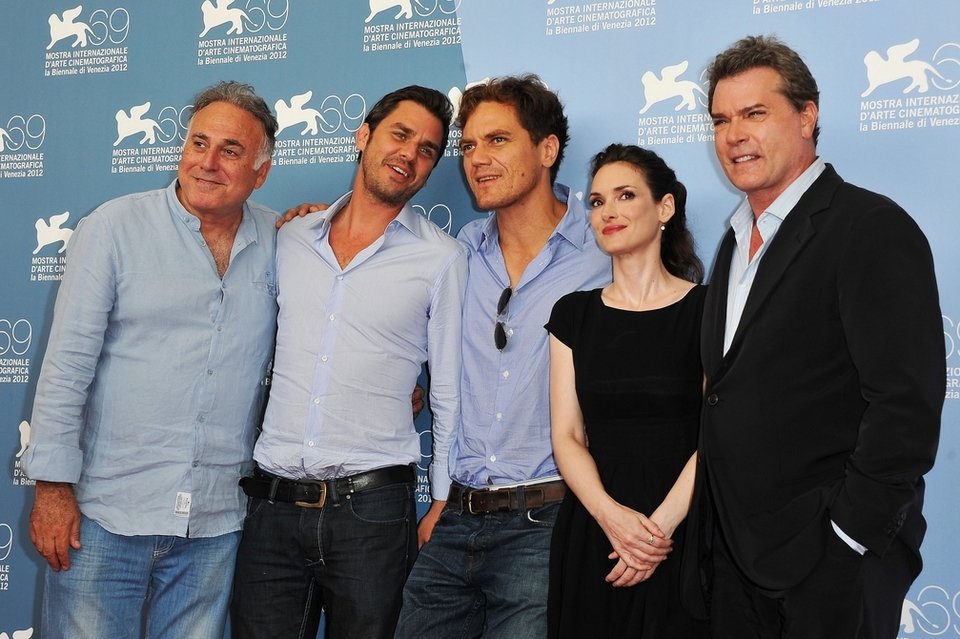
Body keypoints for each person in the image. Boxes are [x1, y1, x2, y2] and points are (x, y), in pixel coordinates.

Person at [696, 35, 944, 638]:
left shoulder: (870, 227)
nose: (734, 135)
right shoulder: (734, 241)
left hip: (830, 559)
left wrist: (847, 538)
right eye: (721, 120)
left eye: (755, 113)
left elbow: (905, 406)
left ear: (807, 116)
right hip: (737, 558)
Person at [23, 80, 279, 639]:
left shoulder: (283, 240)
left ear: (261, 172)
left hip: (215, 525)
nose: (207, 162)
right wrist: (52, 489)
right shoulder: (112, 228)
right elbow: (66, 368)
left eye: (230, 151)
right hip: (104, 516)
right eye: (198, 143)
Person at [229, 85, 467, 639]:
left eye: (427, 150)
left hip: (373, 513)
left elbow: (448, 391)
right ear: (363, 136)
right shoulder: (290, 238)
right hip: (272, 505)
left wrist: (441, 500)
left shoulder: (442, 258)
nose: (409, 154)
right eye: (399, 135)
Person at [394, 75, 612, 638]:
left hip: (551, 520)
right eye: (468, 145)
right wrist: (316, 217)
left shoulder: (605, 248)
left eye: (497, 140)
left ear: (547, 149)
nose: (476, 159)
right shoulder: (456, 253)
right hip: (455, 520)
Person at [546, 143, 709, 637]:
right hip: (596, 530)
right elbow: (567, 435)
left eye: (625, 195)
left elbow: (719, 434)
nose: (607, 212)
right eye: (597, 202)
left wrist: (656, 532)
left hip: (685, 528)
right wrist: (612, 518)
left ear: (665, 208)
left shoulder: (709, 311)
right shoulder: (573, 315)